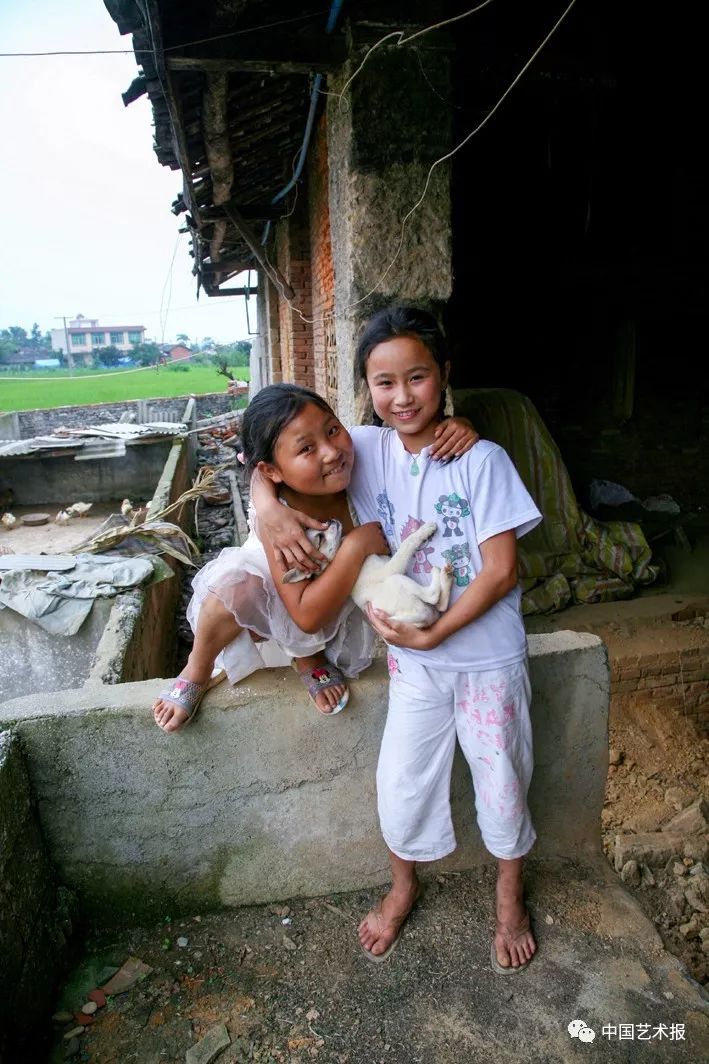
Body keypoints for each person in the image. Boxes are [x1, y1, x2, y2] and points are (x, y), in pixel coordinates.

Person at [255, 305, 542, 973]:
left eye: (416, 378)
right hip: (415, 668)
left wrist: (436, 629)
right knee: (401, 781)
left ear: (443, 376)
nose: (401, 396)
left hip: (486, 659)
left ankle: (508, 900)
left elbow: (501, 569)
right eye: (383, 382)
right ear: (366, 387)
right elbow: (275, 444)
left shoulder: (481, 458)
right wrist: (265, 504)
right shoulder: (364, 450)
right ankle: (402, 886)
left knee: (502, 778)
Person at [153, 382, 477, 731]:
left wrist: (460, 428)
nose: (330, 451)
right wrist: (353, 546)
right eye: (307, 448)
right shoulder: (283, 525)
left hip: (337, 593)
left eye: (333, 430)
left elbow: (408, 443)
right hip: (293, 594)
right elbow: (306, 615)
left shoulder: (355, 462)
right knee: (229, 590)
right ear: (272, 472)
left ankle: (307, 654)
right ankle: (198, 667)